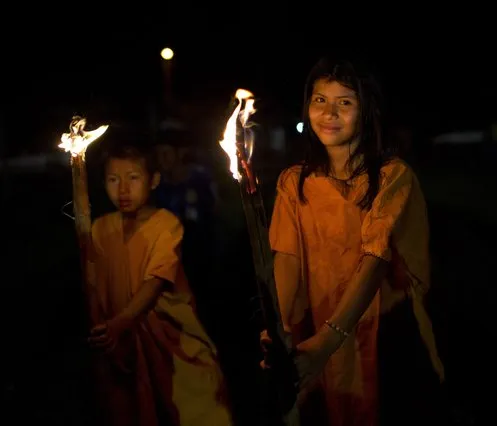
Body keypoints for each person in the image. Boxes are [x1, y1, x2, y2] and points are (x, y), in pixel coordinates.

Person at [263, 57, 447, 425]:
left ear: (367, 110)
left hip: (381, 328)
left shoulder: (393, 178)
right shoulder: (293, 182)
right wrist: (280, 324)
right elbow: (287, 256)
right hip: (316, 320)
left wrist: (329, 342)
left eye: (344, 102)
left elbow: (374, 259)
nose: (329, 113)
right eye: (319, 100)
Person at [86, 134, 233, 426]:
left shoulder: (166, 224)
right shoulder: (100, 229)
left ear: (153, 181)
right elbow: (95, 288)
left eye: (133, 178)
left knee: (192, 407)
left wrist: (122, 321)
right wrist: (105, 329)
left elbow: (156, 281)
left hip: (171, 341)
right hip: (123, 345)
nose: (123, 189)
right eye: (113, 179)